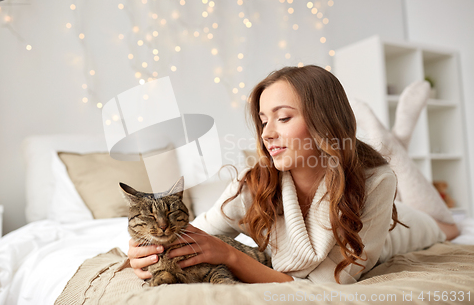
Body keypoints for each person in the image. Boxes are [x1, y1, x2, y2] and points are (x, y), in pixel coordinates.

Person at [127, 65, 459, 284]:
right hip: (374, 209)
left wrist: (231, 255)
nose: (267, 133)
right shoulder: (253, 183)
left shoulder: (376, 182)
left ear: (324, 122)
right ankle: (392, 137)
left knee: (447, 226)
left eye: (283, 118)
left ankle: (392, 141)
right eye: (263, 121)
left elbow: (331, 284)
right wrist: (145, 252)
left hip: (399, 230)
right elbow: (193, 234)